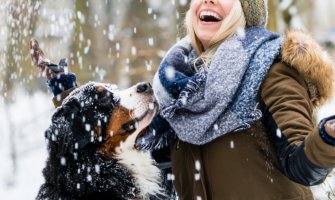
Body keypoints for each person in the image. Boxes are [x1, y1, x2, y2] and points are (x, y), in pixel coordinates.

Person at [31, 0, 335, 199]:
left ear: (246, 10)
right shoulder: (180, 85)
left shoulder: (271, 69)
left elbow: (302, 164)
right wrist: (69, 97)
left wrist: (327, 138)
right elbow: (124, 142)